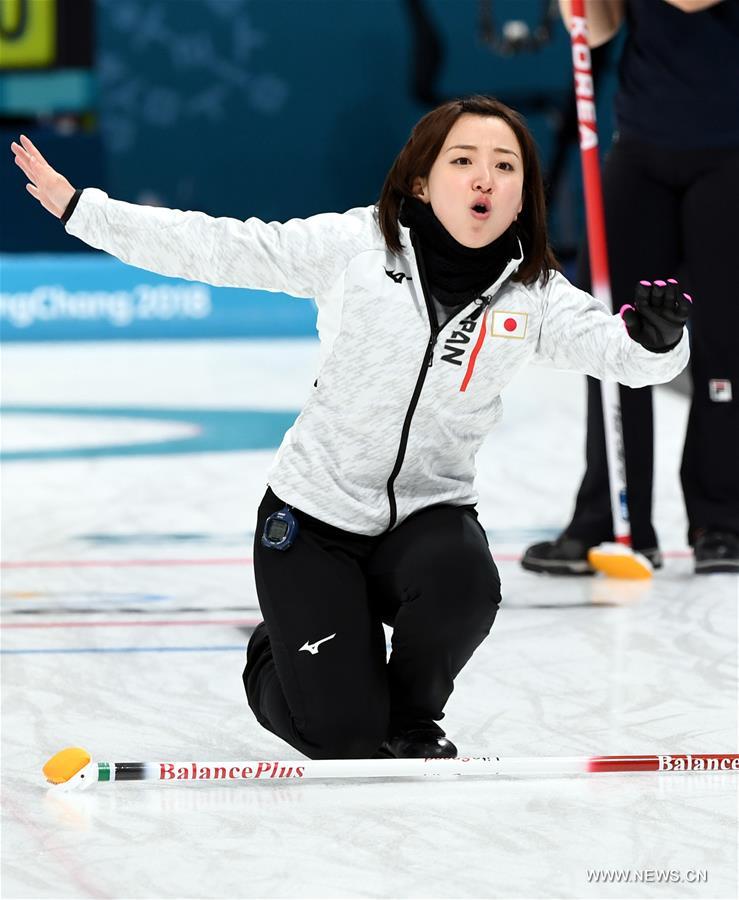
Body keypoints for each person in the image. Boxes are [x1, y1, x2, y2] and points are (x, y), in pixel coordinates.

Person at [11, 95, 690, 760]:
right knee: (341, 740)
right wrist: (84, 211)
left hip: (426, 518)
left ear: (522, 196)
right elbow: (217, 246)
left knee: (463, 584)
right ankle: (277, 647)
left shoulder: (533, 295)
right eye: (463, 160)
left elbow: (622, 356)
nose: (484, 176)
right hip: (314, 523)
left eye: (504, 166)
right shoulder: (354, 248)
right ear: (421, 182)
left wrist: (657, 341)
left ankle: (413, 716)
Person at [522, 0, 739, 577]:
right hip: (643, 143)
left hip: (730, 151)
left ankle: (723, 520)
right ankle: (613, 518)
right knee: (613, 335)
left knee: (726, 347)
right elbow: (601, 27)